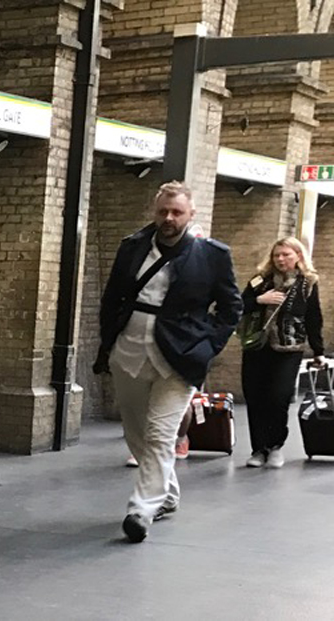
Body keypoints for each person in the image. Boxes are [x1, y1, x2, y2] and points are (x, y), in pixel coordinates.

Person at [94, 181, 242, 543]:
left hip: (181, 357)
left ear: (190, 214)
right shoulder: (131, 248)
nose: (169, 218)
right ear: (154, 212)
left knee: (161, 434)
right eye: (163, 211)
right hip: (129, 350)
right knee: (136, 432)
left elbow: (231, 307)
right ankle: (168, 494)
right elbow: (112, 297)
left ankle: (141, 509)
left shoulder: (212, 255)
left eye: (177, 212)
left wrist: (209, 346)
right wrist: (108, 340)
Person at [241, 237, 325, 469]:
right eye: (277, 255)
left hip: (289, 348)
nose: (280, 259)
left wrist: (318, 351)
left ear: (298, 256)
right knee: (255, 396)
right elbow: (237, 305)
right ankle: (258, 449)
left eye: (286, 254)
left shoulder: (308, 283)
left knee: (279, 396)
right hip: (256, 346)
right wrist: (259, 300)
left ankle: (275, 445)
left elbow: (313, 317)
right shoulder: (260, 280)